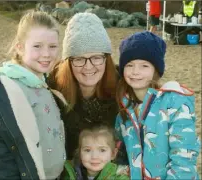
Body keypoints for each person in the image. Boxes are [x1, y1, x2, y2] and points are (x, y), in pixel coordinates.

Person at [0, 11, 67, 180]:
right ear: (20, 47)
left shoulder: (42, 82)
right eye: (37, 46)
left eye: (52, 46)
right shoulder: (3, 94)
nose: (46, 54)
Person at [115, 31, 201, 179]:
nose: (135, 72)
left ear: (156, 70)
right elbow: (121, 153)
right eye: (130, 65)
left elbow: (184, 159)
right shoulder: (124, 110)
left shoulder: (175, 103)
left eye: (144, 66)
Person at [47, 12, 128, 165]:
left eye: (96, 57)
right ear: (68, 62)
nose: (88, 66)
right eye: (79, 59)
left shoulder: (123, 87)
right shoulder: (52, 91)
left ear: (106, 58)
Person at [61, 125, 130, 180]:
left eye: (102, 150)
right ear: (80, 153)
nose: (94, 156)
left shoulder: (119, 176)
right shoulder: (69, 173)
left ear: (113, 154)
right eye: (87, 150)